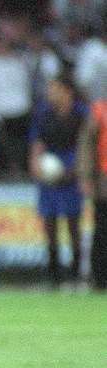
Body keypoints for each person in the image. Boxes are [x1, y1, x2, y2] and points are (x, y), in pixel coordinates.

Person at [29, 76, 88, 287]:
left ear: (67, 91)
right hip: (50, 165)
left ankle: (75, 273)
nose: (50, 93)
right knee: (50, 221)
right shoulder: (43, 112)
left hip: (73, 163)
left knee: (73, 222)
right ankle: (53, 273)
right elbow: (37, 140)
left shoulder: (81, 113)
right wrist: (35, 162)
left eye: (54, 88)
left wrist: (79, 170)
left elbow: (86, 142)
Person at [77, 98, 107, 290]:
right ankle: (101, 278)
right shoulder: (99, 111)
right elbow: (87, 146)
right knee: (102, 231)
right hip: (104, 181)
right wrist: (86, 177)